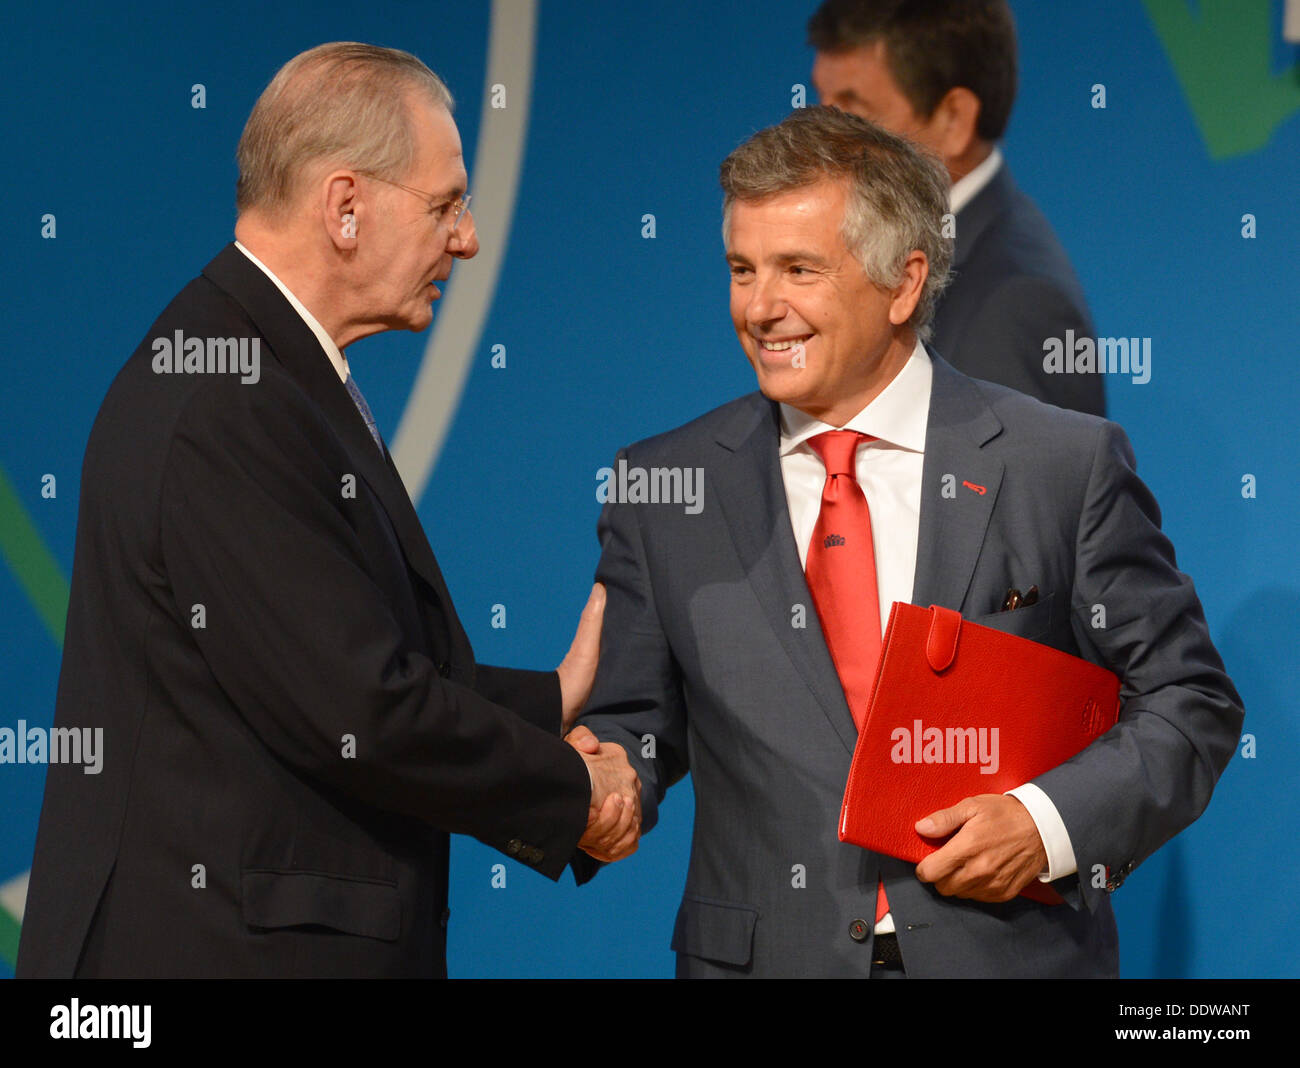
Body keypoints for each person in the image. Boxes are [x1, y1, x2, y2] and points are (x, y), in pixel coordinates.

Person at [16, 42, 639, 979]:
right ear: (346, 207)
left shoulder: (259, 369)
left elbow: (329, 662)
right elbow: (359, 709)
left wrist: (550, 701)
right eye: (445, 205)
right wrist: (572, 792)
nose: (466, 239)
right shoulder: (229, 399)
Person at [572, 107, 1242, 978]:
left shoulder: (1057, 464)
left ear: (903, 282)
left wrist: (1045, 825)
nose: (760, 308)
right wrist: (604, 781)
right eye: (742, 269)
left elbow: (1190, 701)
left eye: (798, 269)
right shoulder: (666, 486)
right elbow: (635, 726)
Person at [808, 0, 1106, 416]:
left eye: (853, 113)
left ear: (954, 119)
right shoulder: (923, 250)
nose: (819, 139)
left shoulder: (1014, 307)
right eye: (821, 105)